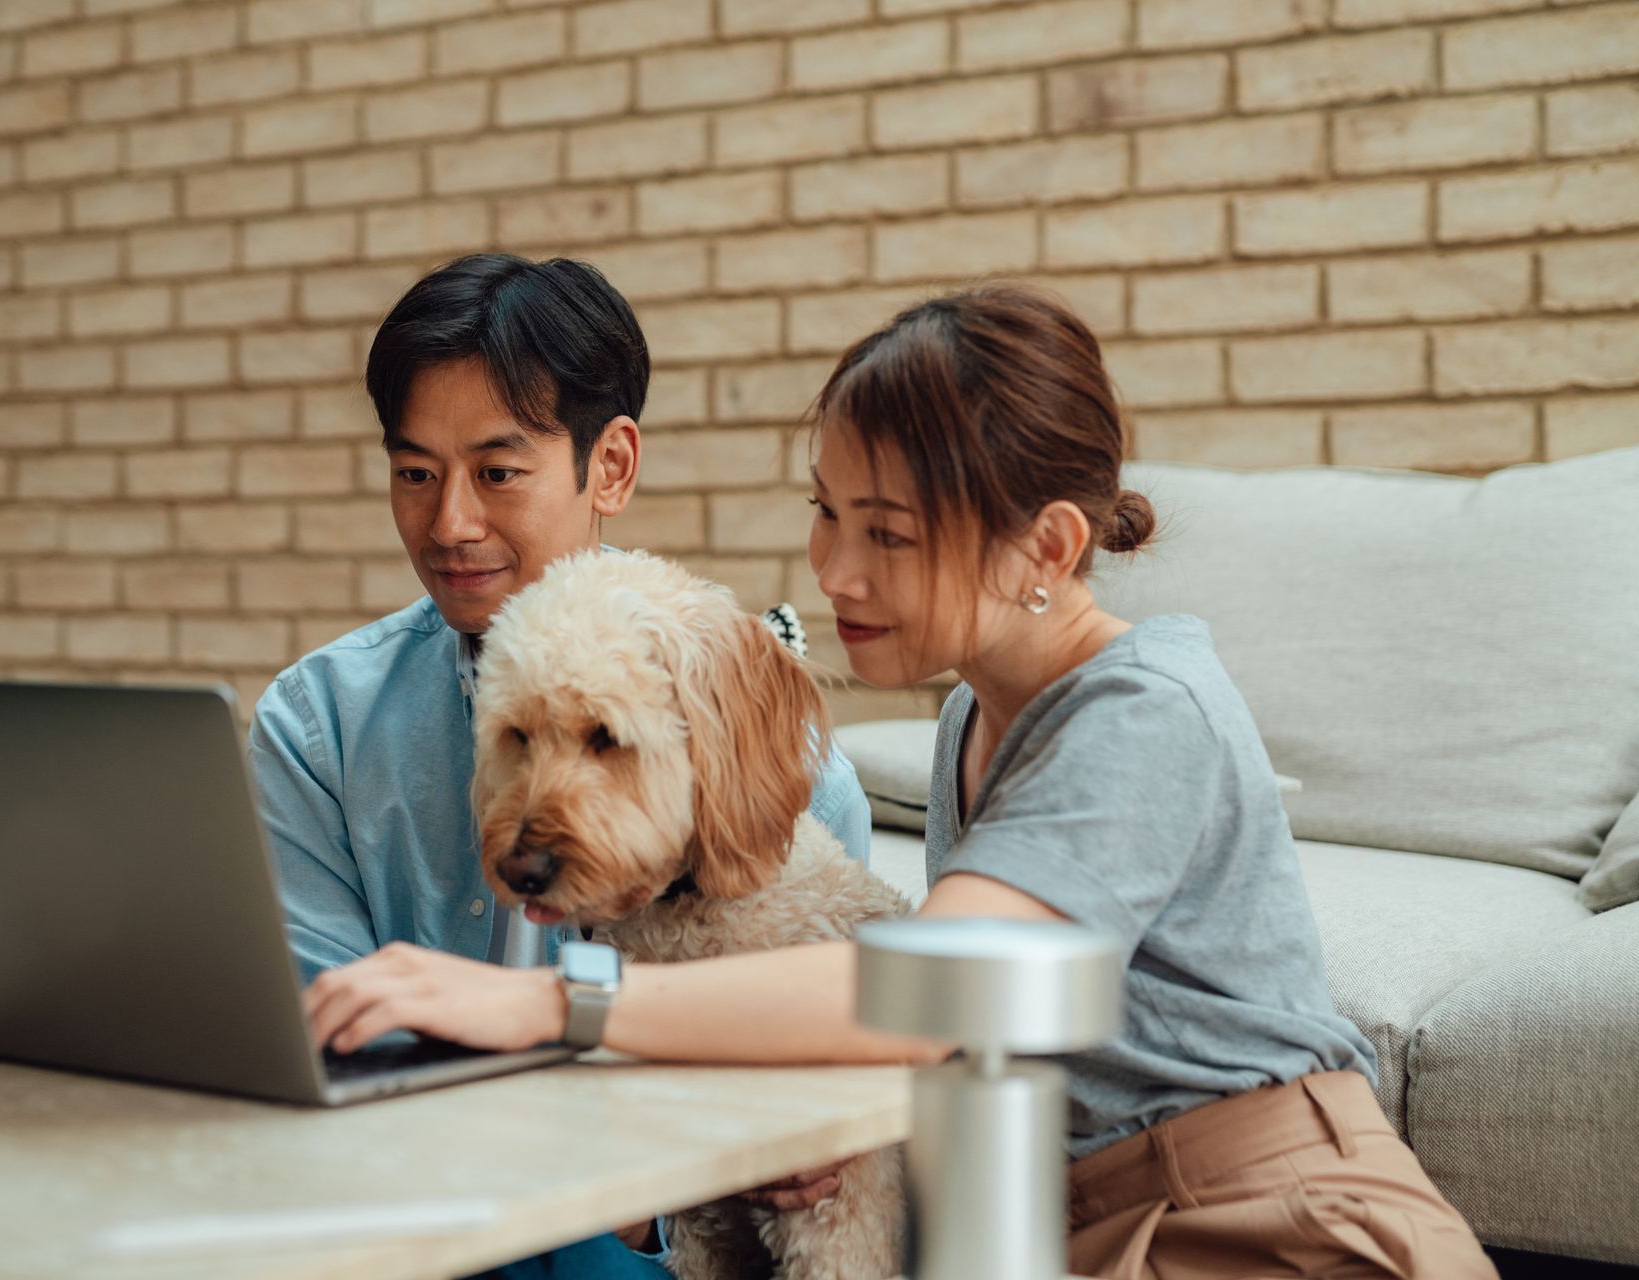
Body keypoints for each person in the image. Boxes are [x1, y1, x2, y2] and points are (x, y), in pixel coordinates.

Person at [301, 282, 1500, 1278]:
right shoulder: (978, 713)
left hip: (1264, 1224)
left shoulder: (1147, 712)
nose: (833, 570)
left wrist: (551, 1002)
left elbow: (933, 993)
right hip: (1063, 1226)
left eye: (889, 532)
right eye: (827, 515)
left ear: (1047, 547)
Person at [247, 252, 872, 1280]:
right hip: (399, 1218)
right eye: (415, 473)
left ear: (611, 467)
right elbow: (320, 1052)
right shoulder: (320, 725)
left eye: (497, 472)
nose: (449, 523)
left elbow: (805, 1074)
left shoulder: (759, 745)